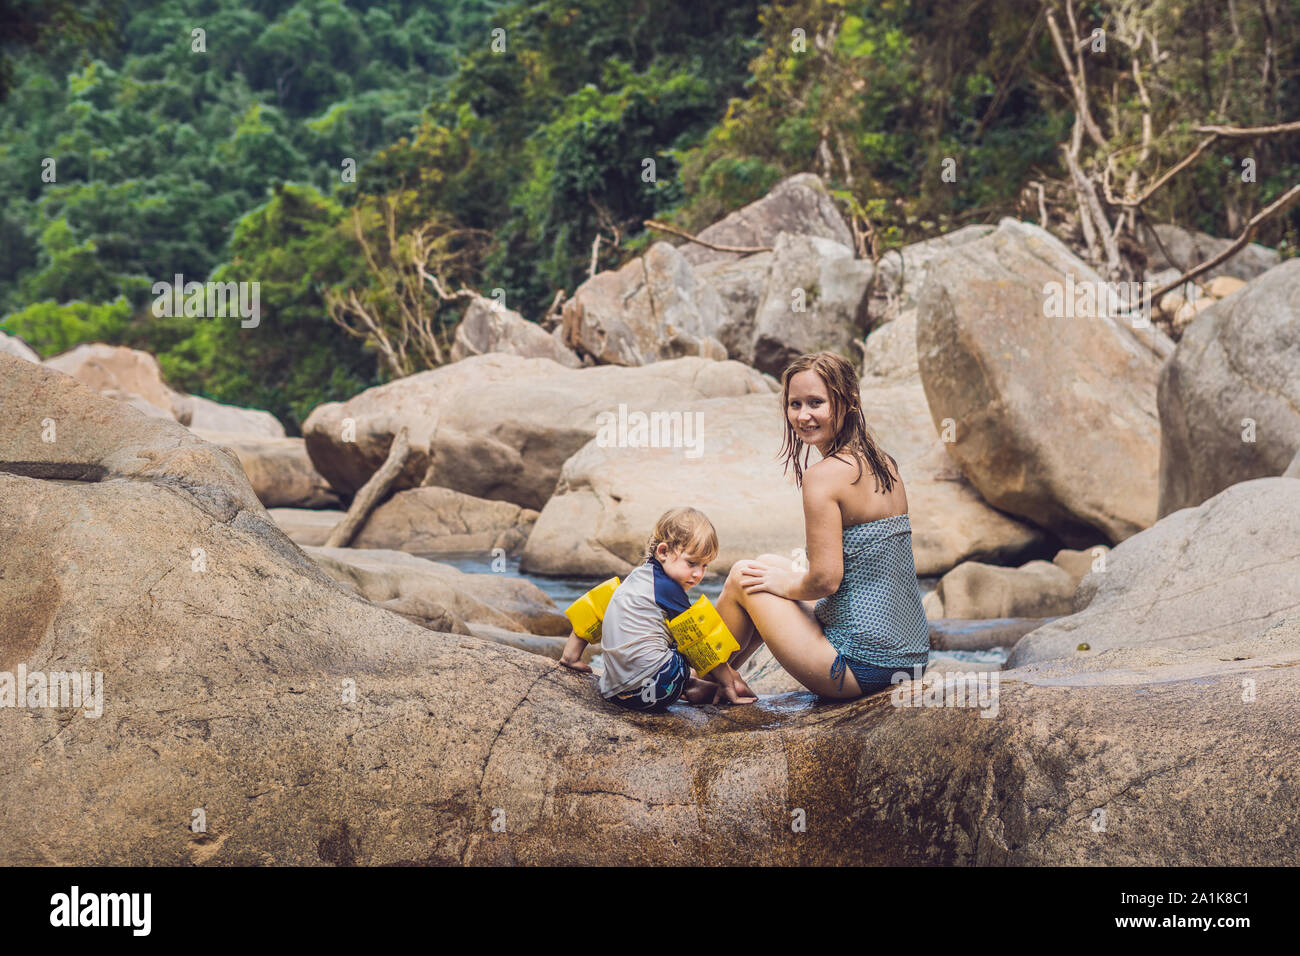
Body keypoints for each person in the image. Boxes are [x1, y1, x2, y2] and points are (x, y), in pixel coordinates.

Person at [714, 351, 930, 699]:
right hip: (911, 658)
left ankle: (696, 675)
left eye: (816, 402)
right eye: (794, 404)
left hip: (862, 667)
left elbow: (826, 580)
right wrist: (781, 578)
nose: (803, 415)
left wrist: (786, 585)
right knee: (765, 565)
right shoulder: (885, 462)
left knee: (743, 575)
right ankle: (716, 678)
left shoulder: (824, 477)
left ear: (849, 403)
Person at [558, 507, 757, 710]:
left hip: (616, 693)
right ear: (663, 551)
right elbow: (701, 641)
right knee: (687, 637)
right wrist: (728, 683)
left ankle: (692, 687)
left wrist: (570, 657)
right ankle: (699, 688)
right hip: (658, 687)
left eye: (705, 566)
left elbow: (593, 612)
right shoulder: (669, 590)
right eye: (692, 563)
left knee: (652, 636)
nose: (699, 574)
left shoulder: (634, 581)